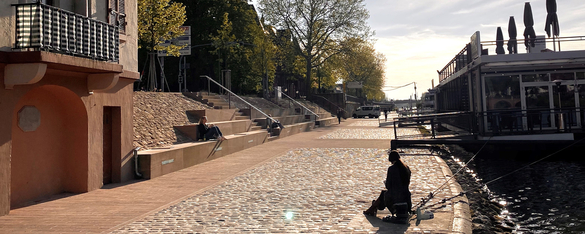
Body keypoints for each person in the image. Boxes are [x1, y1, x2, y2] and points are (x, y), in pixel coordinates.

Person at [363, 150, 412, 223]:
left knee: (384, 194)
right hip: (406, 197)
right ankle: (372, 208)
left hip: (395, 198)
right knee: (384, 194)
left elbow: (388, 186)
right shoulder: (406, 168)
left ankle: (372, 208)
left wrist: (386, 183)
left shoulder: (392, 169)